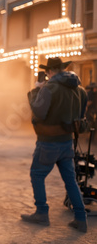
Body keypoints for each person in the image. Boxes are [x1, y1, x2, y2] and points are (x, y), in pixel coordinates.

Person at [21, 57, 88, 233]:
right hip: (67, 142)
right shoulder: (80, 90)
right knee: (71, 181)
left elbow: (39, 112)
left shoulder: (49, 88)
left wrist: (37, 91)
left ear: (50, 72)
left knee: (37, 175)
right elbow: (80, 117)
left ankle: (42, 213)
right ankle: (81, 219)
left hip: (48, 142)